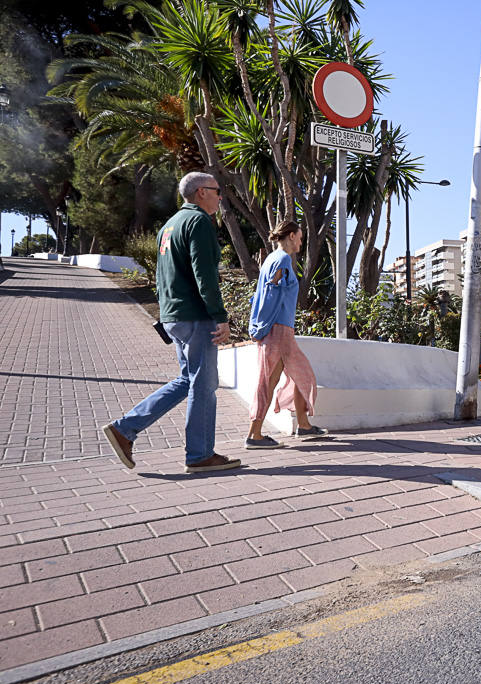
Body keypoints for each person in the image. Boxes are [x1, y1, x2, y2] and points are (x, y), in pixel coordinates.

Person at [100, 172, 241, 474]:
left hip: (174, 316)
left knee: (187, 381)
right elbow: (205, 275)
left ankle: (125, 430)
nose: (220, 197)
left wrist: (167, 314)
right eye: (217, 191)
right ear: (202, 192)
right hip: (196, 316)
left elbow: (164, 274)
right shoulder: (198, 221)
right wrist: (220, 316)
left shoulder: (168, 225)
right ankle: (200, 455)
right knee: (204, 385)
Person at [246, 220, 325, 449]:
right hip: (277, 331)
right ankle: (254, 435)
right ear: (290, 236)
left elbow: (262, 294)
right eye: (300, 237)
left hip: (283, 331)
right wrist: (261, 329)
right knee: (268, 381)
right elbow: (269, 296)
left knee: (302, 374)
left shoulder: (275, 259)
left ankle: (303, 425)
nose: (301, 241)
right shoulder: (281, 260)